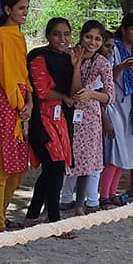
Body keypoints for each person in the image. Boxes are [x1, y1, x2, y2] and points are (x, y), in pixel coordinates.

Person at [0, 0, 33, 233]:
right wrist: (20, 105)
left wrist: (29, 103)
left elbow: (23, 74)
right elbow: (7, 76)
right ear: (7, 10)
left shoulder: (17, 35)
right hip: (4, 108)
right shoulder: (1, 36)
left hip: (19, 107)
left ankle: (0, 216)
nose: (25, 12)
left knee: (18, 168)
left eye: (27, 8)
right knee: (4, 169)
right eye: (21, 8)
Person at [24, 18, 80, 229]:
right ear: (48, 36)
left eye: (66, 34)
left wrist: (76, 67)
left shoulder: (68, 58)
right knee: (54, 167)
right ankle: (54, 219)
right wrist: (64, 97)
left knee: (53, 169)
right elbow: (42, 91)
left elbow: (75, 92)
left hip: (60, 121)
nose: (62, 39)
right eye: (57, 34)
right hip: (42, 119)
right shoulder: (38, 56)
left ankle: (32, 216)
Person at [66, 20, 113, 215]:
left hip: (90, 115)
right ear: (81, 35)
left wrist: (91, 94)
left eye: (97, 39)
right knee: (67, 157)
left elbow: (110, 96)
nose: (92, 42)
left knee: (87, 160)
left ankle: (80, 205)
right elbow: (71, 87)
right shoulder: (68, 54)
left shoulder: (102, 62)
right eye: (88, 37)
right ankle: (64, 199)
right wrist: (76, 66)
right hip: (68, 109)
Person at [99, 13, 133, 206]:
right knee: (113, 153)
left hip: (131, 106)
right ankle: (103, 196)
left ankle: (112, 192)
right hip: (114, 105)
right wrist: (122, 66)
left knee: (124, 153)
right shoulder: (113, 48)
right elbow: (105, 76)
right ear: (124, 29)